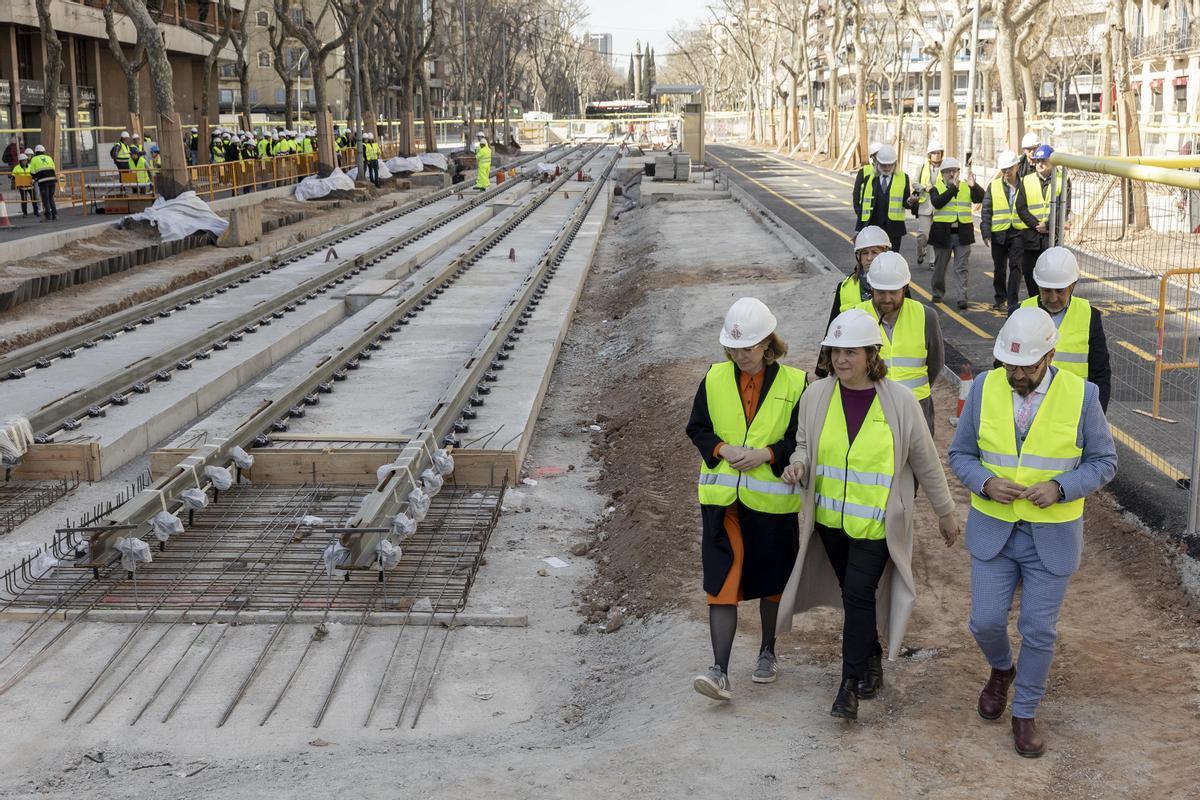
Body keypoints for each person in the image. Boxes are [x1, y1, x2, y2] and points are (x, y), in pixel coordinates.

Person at [949, 306, 1116, 757]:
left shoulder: (1082, 396)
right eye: (1009, 364)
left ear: (1050, 356)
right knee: (984, 621)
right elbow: (960, 453)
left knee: (1038, 630)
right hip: (995, 530)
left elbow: (1104, 463)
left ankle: (1024, 713)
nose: (1016, 373)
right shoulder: (986, 386)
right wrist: (985, 482)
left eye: (1026, 366)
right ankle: (1002, 669)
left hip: (1052, 536)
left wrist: (1061, 487)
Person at [777, 308, 958, 721]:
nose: (842, 360)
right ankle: (871, 658)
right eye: (836, 351)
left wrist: (945, 512)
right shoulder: (815, 396)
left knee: (859, 596)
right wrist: (799, 463)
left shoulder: (900, 402)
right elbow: (803, 444)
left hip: (877, 525)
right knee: (854, 598)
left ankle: (847, 687)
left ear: (871, 353)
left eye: (851, 352)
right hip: (830, 524)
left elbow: (926, 461)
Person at [686, 297, 807, 702]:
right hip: (724, 502)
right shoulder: (715, 377)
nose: (740, 355)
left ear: (768, 344)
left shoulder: (795, 383)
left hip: (772, 504)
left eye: (749, 348)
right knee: (723, 580)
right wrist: (720, 449)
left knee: (773, 581)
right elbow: (697, 428)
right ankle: (718, 670)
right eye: (735, 348)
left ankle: (768, 652)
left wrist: (767, 455)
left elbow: (800, 439)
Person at [856, 252, 944, 432]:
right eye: (880, 292)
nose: (887, 299)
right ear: (871, 287)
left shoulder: (926, 316)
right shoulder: (857, 316)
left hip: (917, 408)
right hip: (870, 409)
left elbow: (935, 363)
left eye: (893, 292)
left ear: (904, 288)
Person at [1020, 247, 1111, 411]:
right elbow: (1003, 368)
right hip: (1029, 411)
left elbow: (1100, 375)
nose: (1053, 298)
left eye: (1060, 291)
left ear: (1073, 285)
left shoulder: (1090, 316)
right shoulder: (1020, 313)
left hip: (1073, 411)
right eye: (1046, 291)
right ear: (1038, 284)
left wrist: (1095, 416)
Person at [1015, 144, 1070, 304]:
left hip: (1051, 236)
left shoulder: (1063, 180)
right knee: (1029, 273)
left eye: (1043, 160)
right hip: (1031, 236)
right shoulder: (1026, 180)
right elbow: (1021, 206)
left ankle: (1049, 304)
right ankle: (1035, 303)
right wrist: (1035, 224)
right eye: (1037, 160)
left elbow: (1063, 208)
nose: (1039, 164)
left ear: (1052, 162)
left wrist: (1047, 224)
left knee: (1050, 274)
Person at [928, 156, 985, 309]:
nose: (952, 174)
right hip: (942, 234)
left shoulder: (966, 186)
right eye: (948, 171)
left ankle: (962, 297)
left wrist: (974, 186)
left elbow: (981, 198)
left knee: (962, 267)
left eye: (955, 171)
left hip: (963, 233)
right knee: (940, 267)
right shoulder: (936, 188)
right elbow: (937, 203)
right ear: (942, 173)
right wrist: (953, 188)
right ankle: (937, 292)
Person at [981, 150, 1027, 312]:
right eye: (1004, 169)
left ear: (1017, 166)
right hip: (999, 233)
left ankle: (1012, 301)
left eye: (1009, 168)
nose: (1006, 172)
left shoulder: (1025, 184)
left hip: (1018, 232)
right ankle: (1000, 298)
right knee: (999, 268)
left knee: (1016, 267)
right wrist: (986, 232)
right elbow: (986, 210)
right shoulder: (994, 186)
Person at [854, 144, 919, 253]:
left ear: (895, 164)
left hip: (894, 229)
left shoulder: (903, 178)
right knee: (873, 257)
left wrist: (910, 201)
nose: (887, 168)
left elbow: (905, 202)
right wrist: (858, 229)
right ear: (877, 163)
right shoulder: (869, 178)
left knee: (891, 258)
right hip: (872, 226)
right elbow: (863, 205)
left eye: (890, 165)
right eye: (884, 165)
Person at [828, 225, 891, 327]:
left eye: (874, 252)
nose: (869, 258)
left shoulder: (897, 285)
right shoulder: (845, 287)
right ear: (858, 257)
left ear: (885, 253)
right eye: (865, 253)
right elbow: (833, 328)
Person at [913, 140, 944, 267]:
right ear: (929, 155)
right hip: (925, 205)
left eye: (939, 153)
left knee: (935, 235)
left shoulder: (945, 168)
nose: (937, 155)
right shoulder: (922, 167)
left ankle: (933, 261)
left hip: (939, 207)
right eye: (934, 153)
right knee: (923, 235)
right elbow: (914, 183)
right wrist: (924, 188)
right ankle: (921, 252)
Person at [851, 141, 882, 220]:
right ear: (872, 157)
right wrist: (858, 211)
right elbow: (856, 193)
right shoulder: (864, 172)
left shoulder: (888, 172)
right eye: (878, 154)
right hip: (865, 218)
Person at [29, 144, 57, 221]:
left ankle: (48, 216)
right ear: (44, 151)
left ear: (36, 152)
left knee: (45, 199)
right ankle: (54, 215)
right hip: (52, 180)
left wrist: (35, 178)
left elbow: (32, 172)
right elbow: (53, 168)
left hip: (43, 181)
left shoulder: (34, 159)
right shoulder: (49, 158)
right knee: (51, 197)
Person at [10, 153, 39, 217]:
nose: (24, 162)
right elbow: (13, 176)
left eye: (25, 160)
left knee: (34, 199)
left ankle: (36, 211)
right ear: (20, 161)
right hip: (22, 186)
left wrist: (34, 179)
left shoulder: (30, 166)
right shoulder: (16, 168)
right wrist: (12, 177)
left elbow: (34, 174)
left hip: (30, 185)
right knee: (24, 200)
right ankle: (25, 213)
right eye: (23, 160)